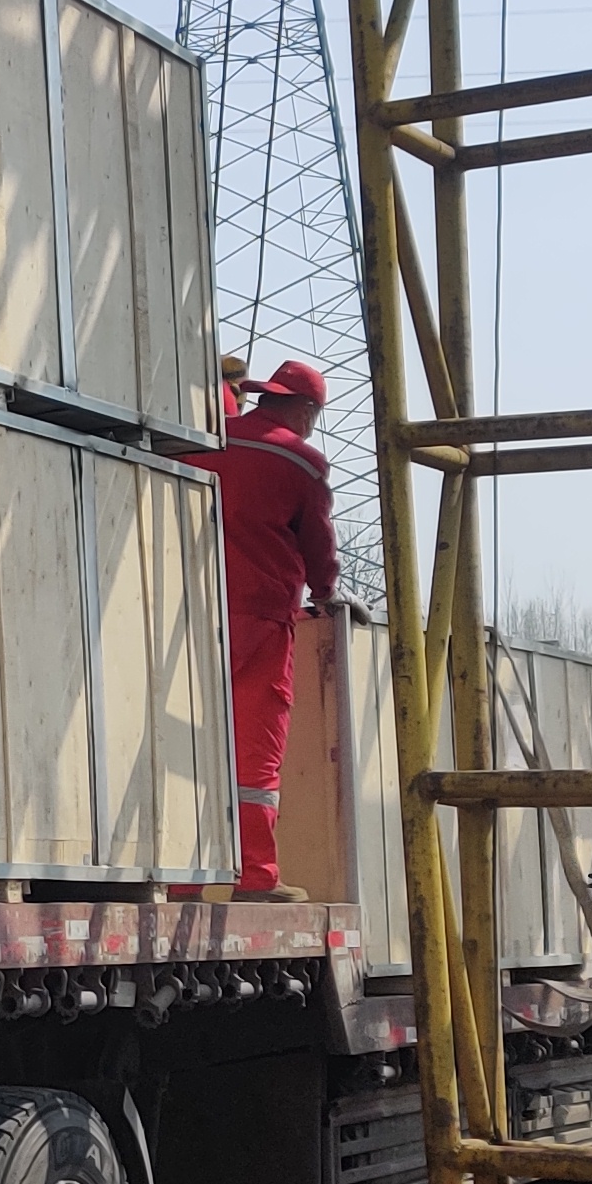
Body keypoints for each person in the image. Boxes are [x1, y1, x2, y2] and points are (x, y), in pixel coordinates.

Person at [210, 355, 343, 898]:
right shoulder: (301, 462)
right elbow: (319, 546)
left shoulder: (208, 438)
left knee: (188, 743)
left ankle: (185, 878)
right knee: (255, 750)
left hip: (189, 613)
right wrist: (327, 593)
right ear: (306, 411)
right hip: (260, 617)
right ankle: (256, 875)